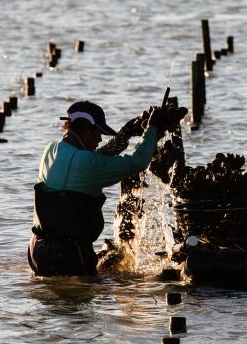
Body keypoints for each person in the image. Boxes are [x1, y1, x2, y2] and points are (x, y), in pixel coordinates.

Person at [29, 99, 185, 277]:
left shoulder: (51, 150)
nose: (100, 139)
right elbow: (137, 162)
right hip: (67, 255)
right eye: (99, 133)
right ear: (87, 130)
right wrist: (152, 129)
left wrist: (125, 135)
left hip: (37, 249)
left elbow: (93, 159)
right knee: (79, 300)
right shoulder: (87, 163)